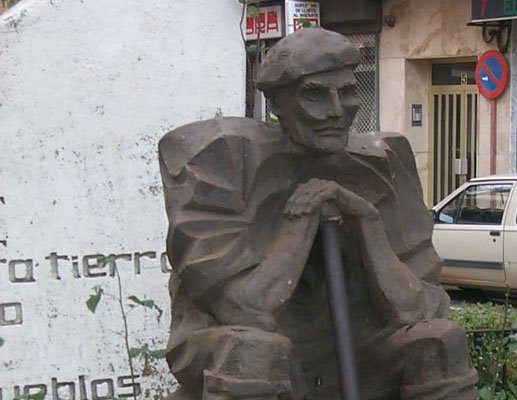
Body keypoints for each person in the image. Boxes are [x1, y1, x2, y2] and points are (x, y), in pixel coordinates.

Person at [158, 28, 477, 400]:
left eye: (346, 92)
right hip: (246, 354)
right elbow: (250, 309)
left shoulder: (384, 162)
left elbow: (414, 309)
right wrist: (300, 221)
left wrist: (368, 221)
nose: (335, 112)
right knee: (254, 351)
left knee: (439, 342)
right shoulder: (220, 159)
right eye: (314, 96)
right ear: (277, 103)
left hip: (357, 357)